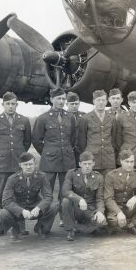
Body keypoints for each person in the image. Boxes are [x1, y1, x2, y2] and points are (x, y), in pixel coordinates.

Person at [0, 91, 31, 237]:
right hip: (2, 164)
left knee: (19, 195)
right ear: (3, 105)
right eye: (8, 104)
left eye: (13, 104)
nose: (11, 106)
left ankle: (20, 226)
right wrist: (0, 155)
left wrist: (19, 156)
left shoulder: (24, 121)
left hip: (18, 164)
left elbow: (27, 142)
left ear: (17, 104)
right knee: (1, 196)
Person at [32, 88, 77, 226]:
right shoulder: (43, 118)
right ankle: (44, 223)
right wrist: (47, 153)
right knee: (47, 194)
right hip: (49, 162)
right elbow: (36, 140)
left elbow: (73, 139)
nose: (62, 101)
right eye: (58, 99)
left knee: (66, 193)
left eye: (63, 99)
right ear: (51, 99)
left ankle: (66, 220)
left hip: (67, 161)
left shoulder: (70, 117)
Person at [0, 152, 59, 240]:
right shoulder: (12, 179)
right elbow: (6, 201)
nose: (28, 167)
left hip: (34, 206)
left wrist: (39, 208)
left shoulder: (42, 176)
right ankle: (16, 228)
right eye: (25, 164)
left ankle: (40, 227)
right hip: (18, 208)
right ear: (20, 165)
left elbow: (48, 196)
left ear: (35, 164)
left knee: (55, 206)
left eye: (31, 164)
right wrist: (21, 211)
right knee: (3, 214)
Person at [104, 150, 136, 236]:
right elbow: (108, 199)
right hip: (116, 207)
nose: (130, 165)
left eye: (132, 162)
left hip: (129, 206)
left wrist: (135, 198)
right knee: (114, 221)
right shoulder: (111, 175)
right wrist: (118, 212)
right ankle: (118, 224)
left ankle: (134, 225)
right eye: (127, 162)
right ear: (121, 161)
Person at [61, 151, 107, 241]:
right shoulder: (72, 174)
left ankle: (78, 227)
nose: (87, 166)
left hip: (90, 210)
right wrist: (79, 199)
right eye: (84, 164)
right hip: (76, 208)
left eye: (89, 164)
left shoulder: (98, 177)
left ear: (93, 164)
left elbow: (100, 198)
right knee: (65, 201)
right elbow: (65, 191)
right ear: (80, 164)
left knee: (102, 223)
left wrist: (100, 211)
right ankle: (71, 230)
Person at [78, 90, 118, 177]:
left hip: (108, 158)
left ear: (106, 102)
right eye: (98, 100)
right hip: (92, 158)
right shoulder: (86, 118)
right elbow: (82, 140)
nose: (101, 102)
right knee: (93, 184)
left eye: (103, 100)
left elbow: (114, 138)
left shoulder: (112, 118)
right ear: (93, 102)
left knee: (109, 183)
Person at [66, 92, 85, 168]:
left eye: (76, 104)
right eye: (72, 104)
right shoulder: (62, 116)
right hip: (67, 151)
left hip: (81, 151)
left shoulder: (84, 116)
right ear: (67, 104)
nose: (74, 106)